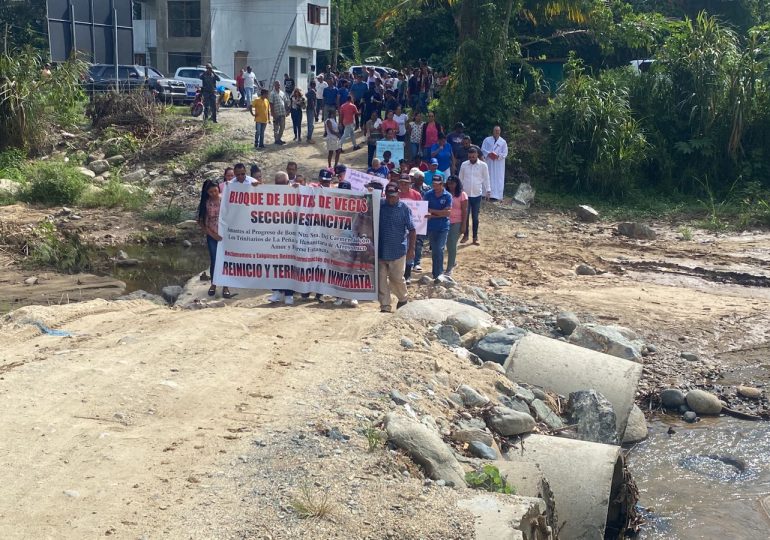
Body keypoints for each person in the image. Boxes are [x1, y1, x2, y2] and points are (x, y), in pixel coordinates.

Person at [378, 182, 416, 313]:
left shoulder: (404, 209)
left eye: (393, 196)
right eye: (388, 196)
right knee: (381, 279)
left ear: (398, 194)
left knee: (397, 278)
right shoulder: (380, 206)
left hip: (398, 250)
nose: (390, 199)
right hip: (380, 249)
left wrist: (411, 249)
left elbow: (412, 230)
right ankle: (385, 305)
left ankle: (403, 298)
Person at [197, 179, 232, 299]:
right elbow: (201, 222)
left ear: (219, 189)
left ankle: (226, 286)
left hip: (227, 235)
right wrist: (213, 235)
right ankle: (214, 283)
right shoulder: (206, 203)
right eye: (210, 192)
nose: (213, 194)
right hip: (212, 234)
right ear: (207, 192)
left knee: (225, 260)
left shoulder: (225, 200)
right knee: (214, 259)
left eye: (215, 191)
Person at [267, 171, 296, 305]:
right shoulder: (270, 193)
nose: (280, 186)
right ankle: (277, 292)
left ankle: (289, 293)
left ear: (288, 182)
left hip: (290, 236)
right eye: (277, 183)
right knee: (276, 264)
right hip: (275, 235)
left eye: (283, 183)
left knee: (289, 264)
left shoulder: (295, 191)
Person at [458, 146, 491, 245]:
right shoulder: (464, 165)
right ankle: (465, 235)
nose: (472, 158)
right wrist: (459, 191)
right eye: (470, 157)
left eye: (473, 156)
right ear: (468, 156)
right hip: (466, 195)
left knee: (475, 217)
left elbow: (486, 178)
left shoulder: (483, 165)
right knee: (465, 216)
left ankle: (475, 237)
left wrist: (488, 190)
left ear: (477, 155)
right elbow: (460, 178)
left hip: (477, 194)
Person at [423, 174, 452, 281]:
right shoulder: (428, 194)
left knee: (440, 249)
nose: (435, 186)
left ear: (442, 184)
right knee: (435, 250)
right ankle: (435, 273)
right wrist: (439, 213)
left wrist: (433, 212)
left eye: (437, 184)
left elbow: (447, 213)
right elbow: (424, 209)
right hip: (431, 227)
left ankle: (439, 273)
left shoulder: (447, 196)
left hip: (443, 226)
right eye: (434, 184)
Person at [445, 175, 468, 276]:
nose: (451, 186)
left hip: (457, 222)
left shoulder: (462, 195)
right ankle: (453, 260)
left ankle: (449, 268)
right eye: (449, 184)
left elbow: (465, 210)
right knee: (447, 243)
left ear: (457, 184)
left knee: (452, 243)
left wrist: (464, 225)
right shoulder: (445, 194)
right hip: (445, 221)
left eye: (453, 184)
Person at [481, 125, 508, 201]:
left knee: (498, 178)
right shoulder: (487, 140)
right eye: (495, 130)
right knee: (487, 176)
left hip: (498, 164)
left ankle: (496, 195)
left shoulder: (503, 142)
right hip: (489, 162)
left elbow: (505, 153)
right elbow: (482, 149)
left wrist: (498, 156)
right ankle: (485, 194)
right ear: (493, 131)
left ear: (500, 132)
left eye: (498, 131)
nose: (496, 132)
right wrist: (489, 154)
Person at [269, 80, 289, 145]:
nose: (279, 86)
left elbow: (285, 102)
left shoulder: (282, 93)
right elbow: (271, 104)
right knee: (276, 128)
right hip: (276, 113)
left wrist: (287, 110)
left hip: (282, 113)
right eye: (277, 85)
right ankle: (276, 140)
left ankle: (279, 138)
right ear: (275, 85)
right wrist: (273, 113)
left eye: (279, 85)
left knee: (282, 127)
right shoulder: (272, 93)